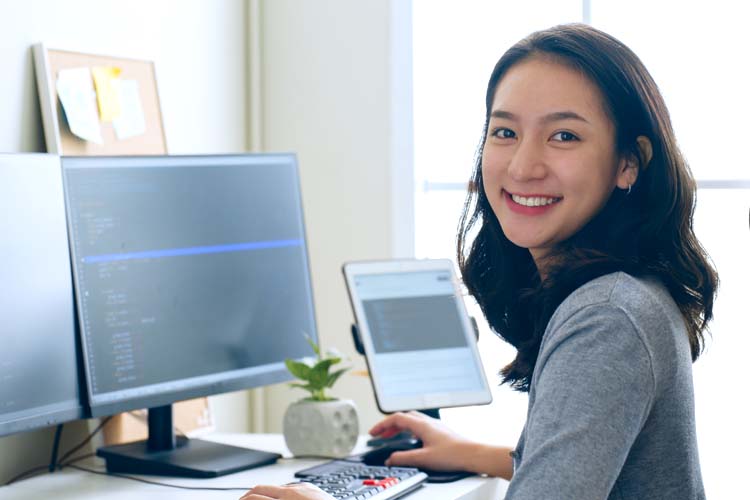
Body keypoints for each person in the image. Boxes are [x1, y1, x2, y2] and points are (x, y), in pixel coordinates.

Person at [240, 23, 717, 500]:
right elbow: (591, 465)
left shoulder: (607, 316)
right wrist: (475, 454)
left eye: (564, 135)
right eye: (505, 131)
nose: (522, 166)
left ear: (628, 162)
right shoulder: (630, 292)